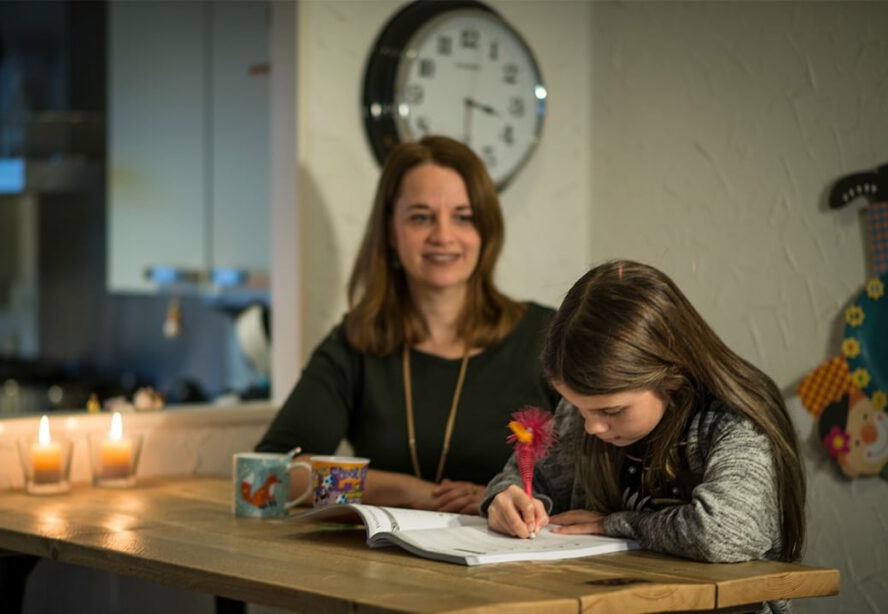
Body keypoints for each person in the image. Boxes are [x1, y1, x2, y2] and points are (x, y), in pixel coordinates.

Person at [255, 136, 559, 514]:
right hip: (386, 566)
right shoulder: (356, 343)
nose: (443, 236)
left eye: (463, 217)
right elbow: (270, 474)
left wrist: (501, 494)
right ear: (390, 230)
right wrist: (415, 493)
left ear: (486, 230)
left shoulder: (550, 337)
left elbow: (597, 476)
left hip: (521, 566)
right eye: (420, 217)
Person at [485, 260, 806, 575]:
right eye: (578, 406)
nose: (591, 426)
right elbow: (522, 479)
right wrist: (504, 499)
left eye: (612, 411)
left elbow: (725, 532)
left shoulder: (732, 420)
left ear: (673, 375)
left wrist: (613, 524)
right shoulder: (585, 411)